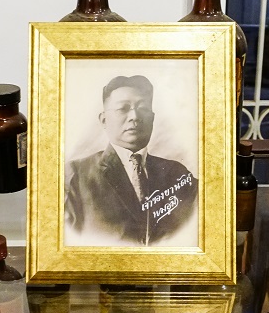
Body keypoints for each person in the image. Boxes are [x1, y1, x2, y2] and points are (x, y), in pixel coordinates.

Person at [65, 75, 198, 246]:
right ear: (104, 120)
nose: (135, 116)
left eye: (142, 108)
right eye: (123, 109)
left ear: (152, 118)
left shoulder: (178, 174)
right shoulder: (75, 175)